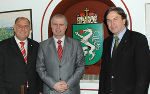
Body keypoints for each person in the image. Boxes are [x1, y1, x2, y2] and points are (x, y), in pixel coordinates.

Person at [98, 7, 150, 94]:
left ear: (124, 20)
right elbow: (104, 73)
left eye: (115, 19)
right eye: (108, 20)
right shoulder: (106, 42)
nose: (112, 23)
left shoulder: (138, 39)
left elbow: (143, 75)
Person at [36, 14, 85, 94]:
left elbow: (81, 67)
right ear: (51, 26)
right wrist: (53, 84)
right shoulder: (42, 45)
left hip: (70, 90)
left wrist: (68, 84)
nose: (58, 27)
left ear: (66, 27)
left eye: (61, 25)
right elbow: (40, 68)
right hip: (50, 90)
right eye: (55, 24)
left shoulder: (76, 44)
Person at [0, 17, 43, 94]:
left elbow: (39, 69)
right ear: (14, 28)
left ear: (29, 28)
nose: (23, 29)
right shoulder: (3, 46)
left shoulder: (36, 45)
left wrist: (40, 90)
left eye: (26, 26)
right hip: (10, 91)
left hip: (33, 91)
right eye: (20, 26)